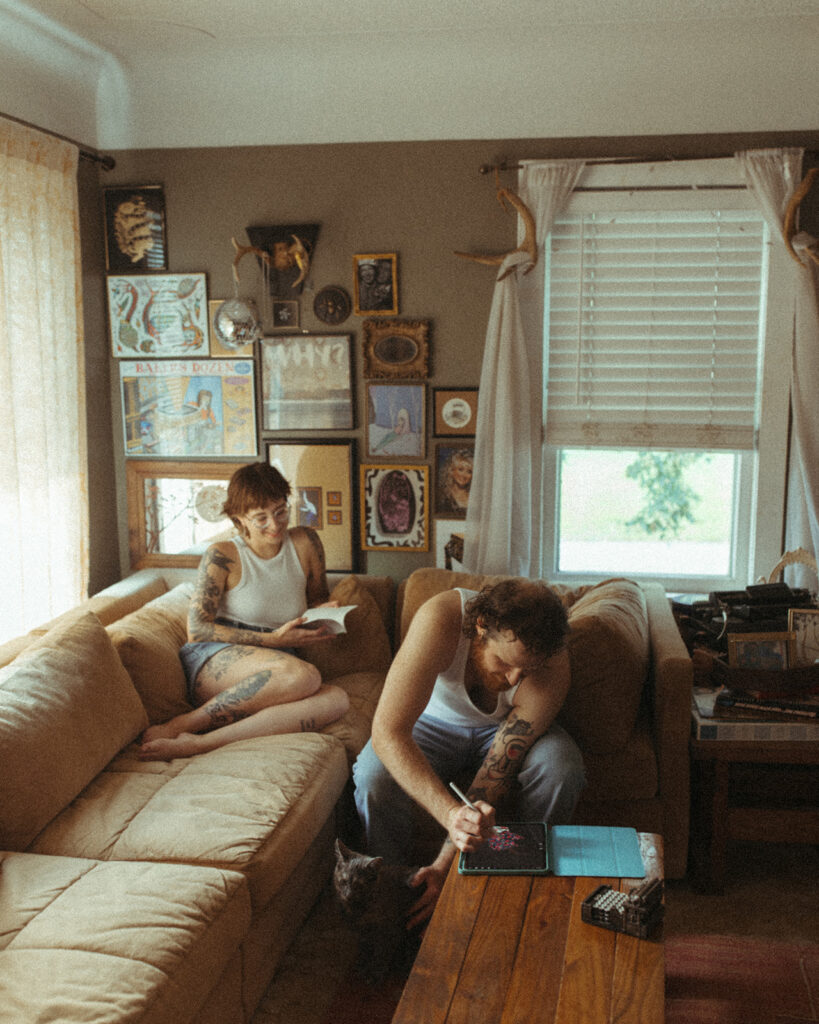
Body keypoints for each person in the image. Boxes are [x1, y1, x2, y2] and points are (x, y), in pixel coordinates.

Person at [352, 579, 585, 926]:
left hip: (503, 731)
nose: (514, 679)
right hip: (433, 724)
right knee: (372, 776)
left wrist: (445, 864)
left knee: (561, 768)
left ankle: (520, 885)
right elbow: (388, 732)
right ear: (480, 629)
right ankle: (392, 897)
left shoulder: (552, 661)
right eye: (505, 663)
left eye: (528, 670)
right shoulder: (440, 618)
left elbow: (496, 772)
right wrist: (449, 814)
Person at [139, 462, 350, 761]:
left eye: (280, 511)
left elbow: (316, 599)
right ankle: (183, 724)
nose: (275, 525)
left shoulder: (306, 542)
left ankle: (199, 744)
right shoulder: (223, 555)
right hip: (218, 655)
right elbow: (197, 629)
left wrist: (324, 614)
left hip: (282, 662)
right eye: (261, 518)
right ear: (240, 519)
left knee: (337, 700)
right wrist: (275, 640)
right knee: (304, 676)